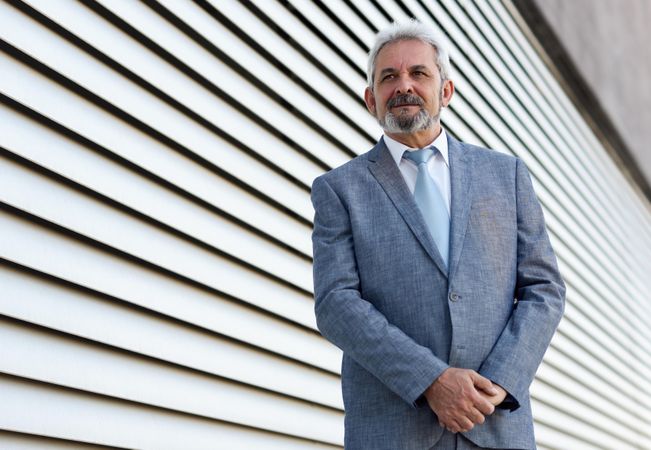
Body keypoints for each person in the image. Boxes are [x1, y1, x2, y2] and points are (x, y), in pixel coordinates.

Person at [310, 20, 565, 450]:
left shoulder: (507, 176)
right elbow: (336, 304)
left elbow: (544, 288)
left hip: (496, 427)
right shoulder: (339, 189)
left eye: (419, 73)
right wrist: (432, 380)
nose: (403, 85)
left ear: (446, 91)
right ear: (371, 99)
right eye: (388, 76)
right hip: (393, 433)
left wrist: (500, 382)